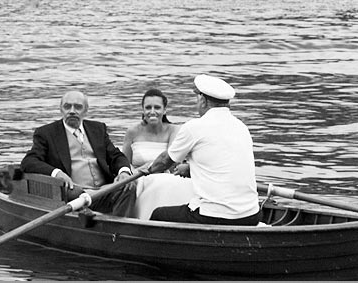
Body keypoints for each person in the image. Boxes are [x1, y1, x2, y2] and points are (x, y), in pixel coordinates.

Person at [145, 75, 261, 226]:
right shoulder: (241, 127)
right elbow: (221, 161)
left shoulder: (194, 127)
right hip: (252, 214)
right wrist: (190, 168)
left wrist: (147, 172)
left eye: (197, 99)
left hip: (215, 216)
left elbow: (164, 161)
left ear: (203, 101)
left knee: (159, 214)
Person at [20, 89, 137, 217]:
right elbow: (29, 162)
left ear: (86, 110)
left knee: (128, 187)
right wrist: (57, 173)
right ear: (61, 109)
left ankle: (118, 227)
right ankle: (93, 223)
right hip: (74, 193)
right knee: (74, 193)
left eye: (78, 107)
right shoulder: (46, 133)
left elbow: (116, 156)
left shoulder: (98, 129)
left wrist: (124, 172)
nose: (72, 111)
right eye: (67, 106)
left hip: (103, 190)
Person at [122, 88, 194, 219]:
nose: (152, 112)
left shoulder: (174, 130)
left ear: (164, 110)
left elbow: (172, 160)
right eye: (148, 107)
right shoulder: (132, 131)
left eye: (157, 107)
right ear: (142, 110)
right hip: (139, 178)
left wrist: (150, 169)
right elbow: (124, 163)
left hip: (166, 177)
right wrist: (135, 172)